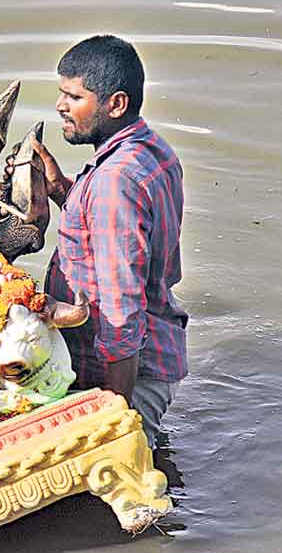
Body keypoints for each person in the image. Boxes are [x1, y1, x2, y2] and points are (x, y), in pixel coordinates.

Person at [31, 35, 188, 448]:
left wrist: (116, 417)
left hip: (123, 372)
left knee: (118, 488)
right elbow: (121, 236)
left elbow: (120, 308)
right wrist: (65, 191)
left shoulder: (114, 181)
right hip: (146, 353)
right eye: (62, 93)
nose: (61, 106)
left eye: (74, 97)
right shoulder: (151, 150)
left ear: (115, 104)